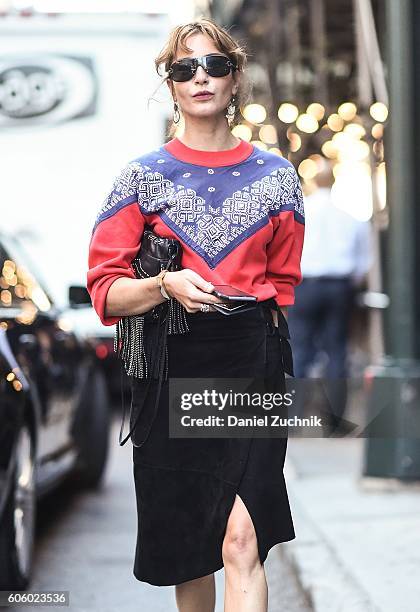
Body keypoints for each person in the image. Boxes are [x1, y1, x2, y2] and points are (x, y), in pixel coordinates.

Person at [87, 18, 305, 612]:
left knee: (242, 537)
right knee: (192, 545)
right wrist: (163, 284)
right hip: (170, 368)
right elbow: (105, 292)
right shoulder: (138, 179)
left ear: (235, 79)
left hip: (250, 358)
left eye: (213, 66)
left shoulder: (278, 178)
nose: (200, 77)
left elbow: (282, 286)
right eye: (185, 69)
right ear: (172, 84)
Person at [287, 159, 372, 434]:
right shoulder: (350, 218)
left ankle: (295, 419)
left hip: (305, 286)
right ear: (333, 182)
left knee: (299, 351)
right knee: (337, 352)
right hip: (339, 287)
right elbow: (363, 264)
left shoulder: (301, 213)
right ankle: (335, 424)